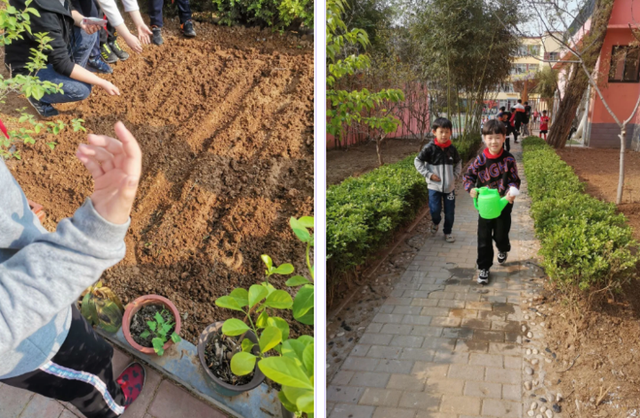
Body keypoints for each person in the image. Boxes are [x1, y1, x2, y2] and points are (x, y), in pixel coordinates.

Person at [0, 122, 146, 418]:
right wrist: (94, 234)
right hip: (31, 341)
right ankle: (112, 404)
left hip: (37, 292)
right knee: (89, 372)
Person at [5, 0, 121, 118]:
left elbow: (67, 9)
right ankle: (36, 94)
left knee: (88, 33)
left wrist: (83, 21)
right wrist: (102, 82)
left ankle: (70, 76)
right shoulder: (43, 12)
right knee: (82, 89)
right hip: (31, 67)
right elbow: (63, 64)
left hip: (49, 52)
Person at [463, 119, 521, 285]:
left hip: (503, 204)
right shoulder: (480, 159)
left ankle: (503, 248)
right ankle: (484, 267)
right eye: (490, 137)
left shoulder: (509, 159)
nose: (493, 141)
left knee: (501, 235)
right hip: (485, 207)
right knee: (484, 238)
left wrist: (511, 191)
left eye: (497, 137)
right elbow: (468, 176)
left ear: (504, 137)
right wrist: (471, 188)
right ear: (484, 138)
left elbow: (515, 179)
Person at [414, 117, 463, 243]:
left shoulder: (452, 149)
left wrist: (455, 175)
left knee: (450, 213)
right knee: (435, 210)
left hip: (449, 188)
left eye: (447, 132)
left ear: (451, 133)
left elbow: (458, 162)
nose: (444, 135)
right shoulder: (429, 148)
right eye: (441, 131)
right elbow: (417, 161)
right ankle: (435, 222)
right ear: (434, 132)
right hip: (434, 187)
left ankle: (448, 232)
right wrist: (428, 175)